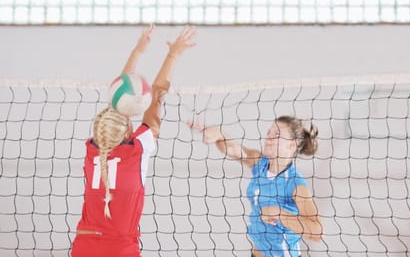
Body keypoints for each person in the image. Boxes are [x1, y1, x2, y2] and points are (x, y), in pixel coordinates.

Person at [71, 24, 196, 257]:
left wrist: (137, 52)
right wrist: (173, 54)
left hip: (84, 246)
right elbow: (157, 95)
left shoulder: (92, 150)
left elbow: (117, 99)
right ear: (128, 132)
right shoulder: (138, 149)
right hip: (120, 249)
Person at [189, 115, 323, 257]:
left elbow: (317, 231)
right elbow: (233, 149)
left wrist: (279, 213)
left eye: (276, 134)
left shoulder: (296, 184)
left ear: (292, 144)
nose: (268, 138)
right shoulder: (260, 163)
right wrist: (218, 133)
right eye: (268, 133)